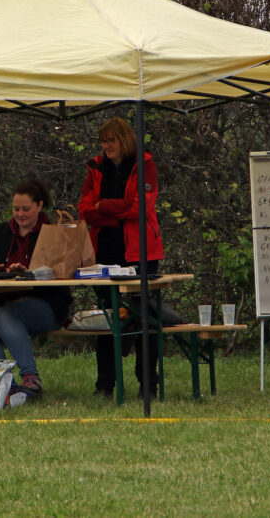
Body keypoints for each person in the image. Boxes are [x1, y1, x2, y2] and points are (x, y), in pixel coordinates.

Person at [77, 116, 164, 398]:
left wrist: (104, 206)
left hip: (140, 253)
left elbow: (140, 208)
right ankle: (105, 385)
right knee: (107, 317)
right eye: (103, 141)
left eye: (111, 140)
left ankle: (148, 384)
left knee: (144, 321)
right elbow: (84, 208)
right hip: (103, 251)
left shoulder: (145, 165)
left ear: (125, 140)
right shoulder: (95, 166)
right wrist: (114, 210)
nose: (106, 146)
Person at [0, 179, 71, 399]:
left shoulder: (53, 233)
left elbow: (62, 271)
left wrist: (29, 272)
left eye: (26, 209)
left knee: (8, 315)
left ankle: (31, 378)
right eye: (16, 209)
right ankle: (6, 386)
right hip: (0, 300)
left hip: (47, 302)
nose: (20, 214)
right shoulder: (0, 232)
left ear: (39, 205)